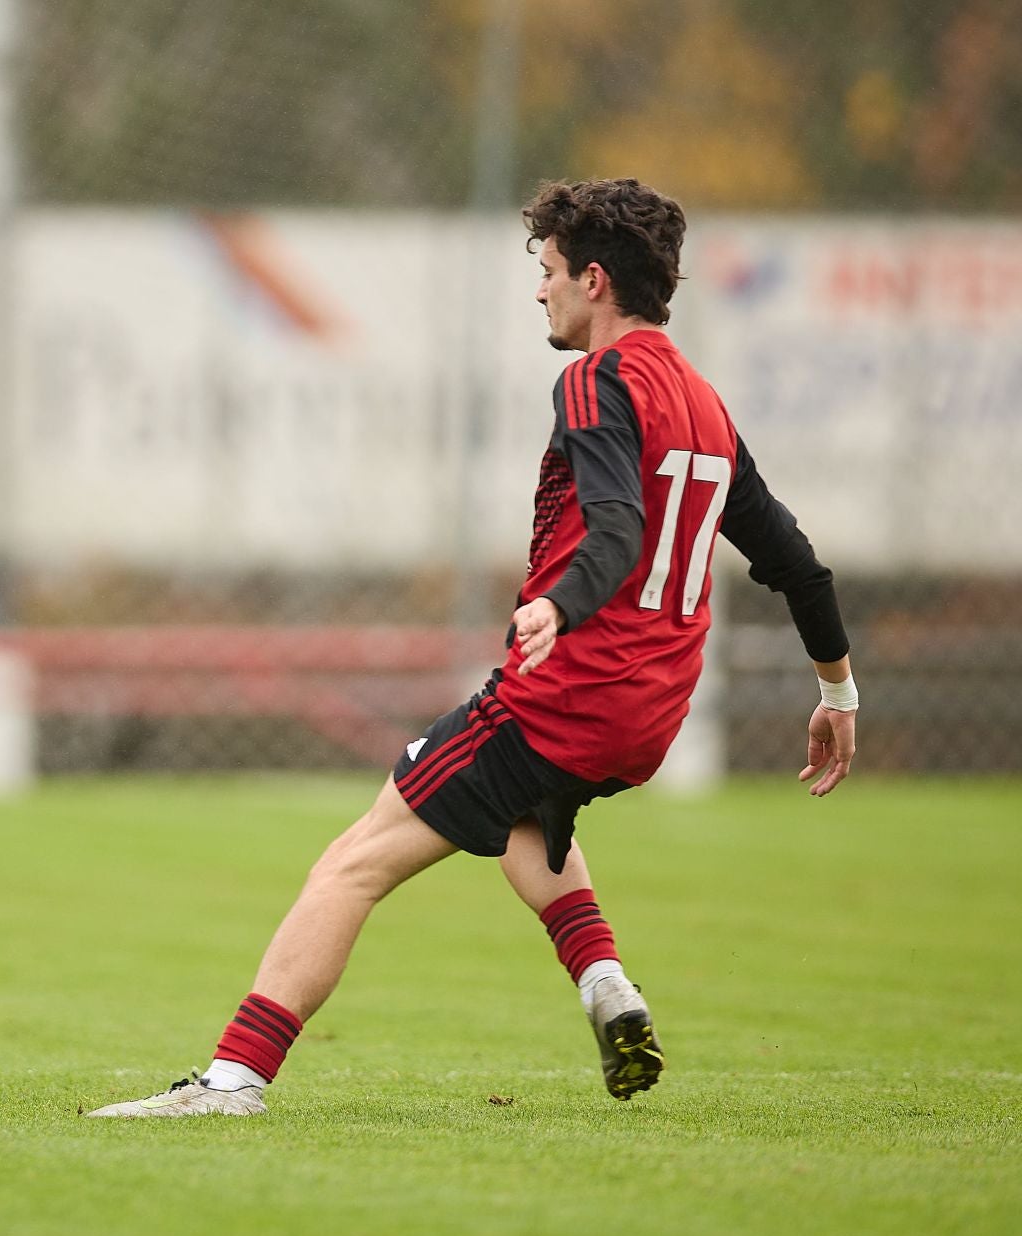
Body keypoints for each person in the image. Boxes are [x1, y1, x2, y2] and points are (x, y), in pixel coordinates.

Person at [87, 177, 858, 1118]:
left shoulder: (595, 380)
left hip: (566, 692)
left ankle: (231, 1082)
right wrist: (839, 697)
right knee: (526, 826)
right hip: (651, 719)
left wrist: (561, 610)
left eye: (548, 272)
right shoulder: (703, 404)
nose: (540, 292)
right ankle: (605, 979)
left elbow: (613, 531)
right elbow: (799, 566)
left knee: (353, 861)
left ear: (596, 280)